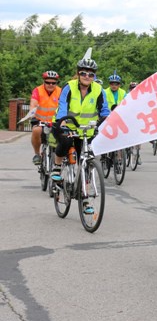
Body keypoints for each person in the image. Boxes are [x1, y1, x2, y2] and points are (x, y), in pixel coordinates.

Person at [50, 58, 111, 211]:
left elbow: (104, 111)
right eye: (83, 73)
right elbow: (63, 106)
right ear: (78, 73)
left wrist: (106, 124)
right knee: (64, 142)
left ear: (94, 76)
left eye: (91, 74)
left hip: (86, 130)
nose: (87, 76)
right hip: (65, 125)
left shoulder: (98, 90)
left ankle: (85, 200)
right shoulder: (69, 87)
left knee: (87, 162)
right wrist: (62, 123)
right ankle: (57, 167)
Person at [29, 71, 62, 165]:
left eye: (53, 83)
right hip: (40, 121)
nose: (50, 84)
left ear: (56, 83)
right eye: (48, 82)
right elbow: (33, 104)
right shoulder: (38, 90)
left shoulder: (60, 91)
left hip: (55, 122)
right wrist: (33, 116)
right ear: (44, 81)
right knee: (36, 131)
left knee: (56, 141)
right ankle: (37, 154)